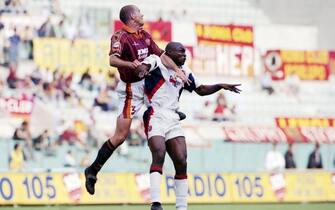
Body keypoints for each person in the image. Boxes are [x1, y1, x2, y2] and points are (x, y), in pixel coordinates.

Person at [84, 5, 188, 195]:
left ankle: (169, 109)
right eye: (139, 12)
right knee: (120, 136)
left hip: (146, 85)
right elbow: (112, 60)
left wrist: (178, 71)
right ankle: (92, 170)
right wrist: (130, 64)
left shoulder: (145, 35)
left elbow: (162, 56)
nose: (142, 14)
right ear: (132, 17)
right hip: (131, 90)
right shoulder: (119, 37)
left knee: (160, 66)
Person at [137, 42, 241, 210]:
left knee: (181, 160)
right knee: (159, 153)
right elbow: (143, 67)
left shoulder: (185, 72)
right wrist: (141, 69)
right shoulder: (156, 61)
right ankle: (156, 203)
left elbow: (200, 90)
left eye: (185, 53)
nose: (184, 55)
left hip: (173, 116)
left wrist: (220, 85)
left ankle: (181, 206)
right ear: (169, 53)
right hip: (155, 114)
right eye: (181, 52)